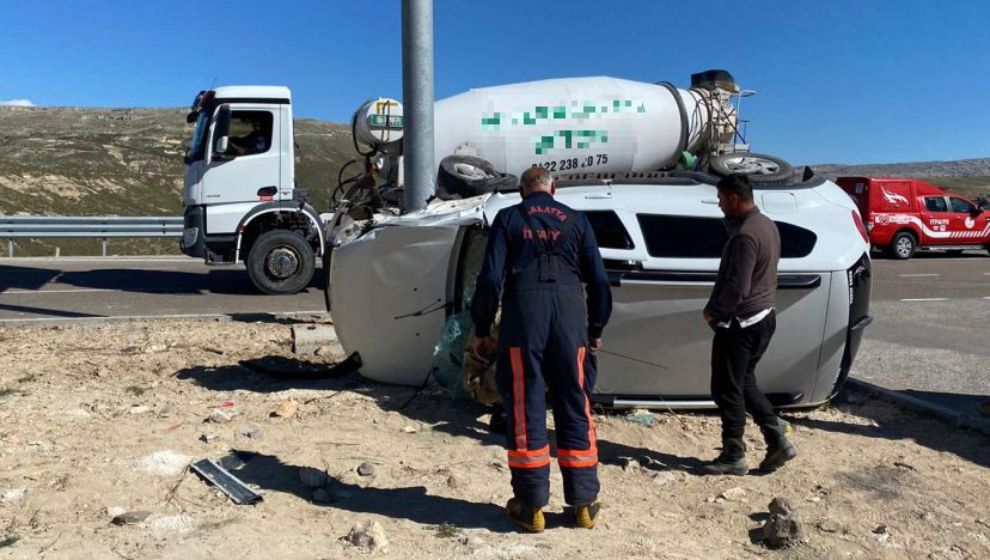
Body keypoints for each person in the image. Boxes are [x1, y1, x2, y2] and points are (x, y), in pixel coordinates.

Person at [470, 166, 612, 532]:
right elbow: (598, 279)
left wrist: (483, 328)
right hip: (570, 320)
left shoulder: (508, 218)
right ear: (555, 188)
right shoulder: (578, 221)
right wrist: (595, 328)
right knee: (574, 404)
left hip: (524, 321)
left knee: (524, 405)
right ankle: (583, 504)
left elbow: (489, 279)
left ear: (522, 191)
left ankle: (531, 507)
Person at [701, 173, 797, 476]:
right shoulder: (766, 225)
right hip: (764, 317)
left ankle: (734, 453)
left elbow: (738, 286)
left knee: (726, 388)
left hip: (741, 322)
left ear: (733, 197)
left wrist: (714, 312)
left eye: (720, 199)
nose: (718, 205)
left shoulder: (745, 235)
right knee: (743, 381)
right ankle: (776, 437)